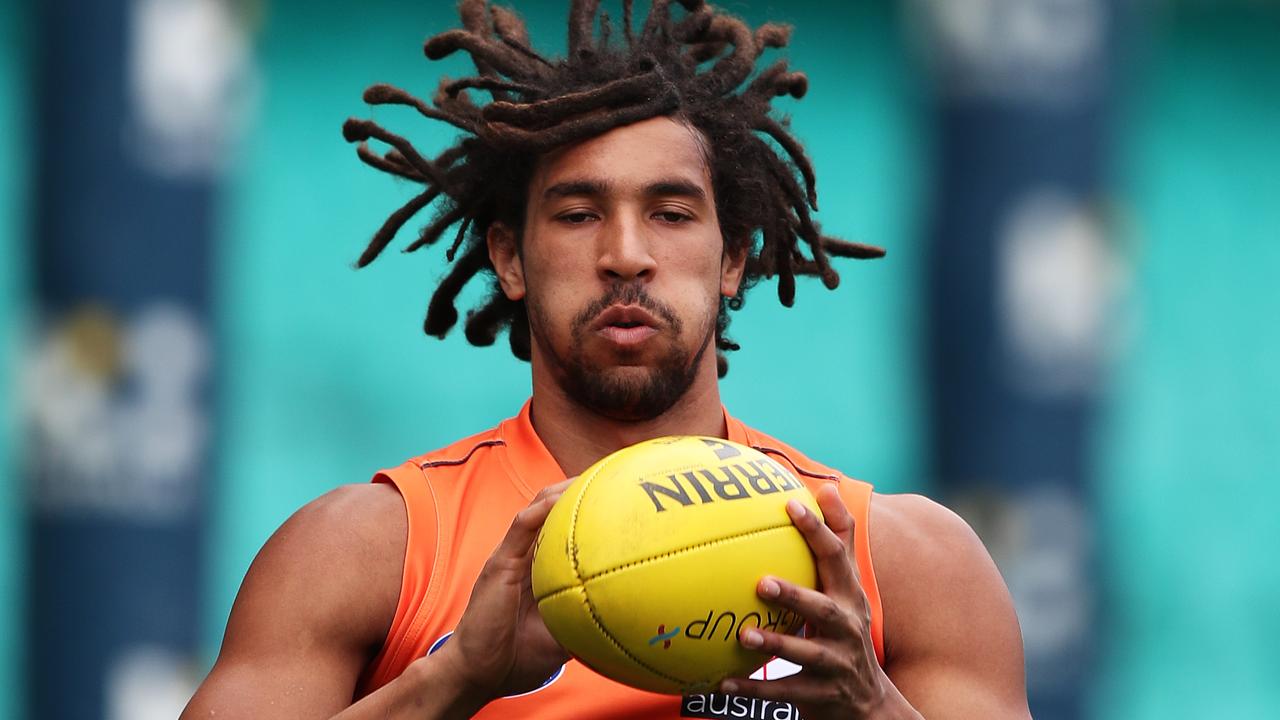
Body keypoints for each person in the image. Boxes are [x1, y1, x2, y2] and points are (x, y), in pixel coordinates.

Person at [183, 1, 1031, 718]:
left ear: (734, 256)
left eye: (670, 212)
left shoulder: (904, 563)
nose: (626, 254)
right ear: (510, 259)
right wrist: (451, 681)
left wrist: (875, 707)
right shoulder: (370, 550)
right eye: (579, 214)